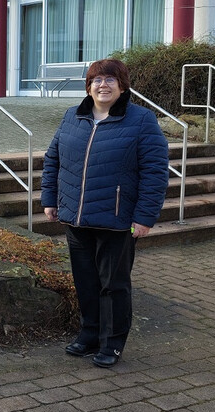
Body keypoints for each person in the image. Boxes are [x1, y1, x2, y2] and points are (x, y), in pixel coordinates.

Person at [40, 58, 169, 368]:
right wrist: (50, 198)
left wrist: (144, 217)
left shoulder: (142, 120)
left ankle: (112, 343)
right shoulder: (72, 116)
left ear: (122, 86)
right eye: (97, 80)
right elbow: (53, 159)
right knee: (85, 281)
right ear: (88, 86)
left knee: (113, 285)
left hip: (117, 220)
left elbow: (155, 172)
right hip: (76, 217)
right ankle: (90, 335)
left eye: (111, 79)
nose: (103, 85)